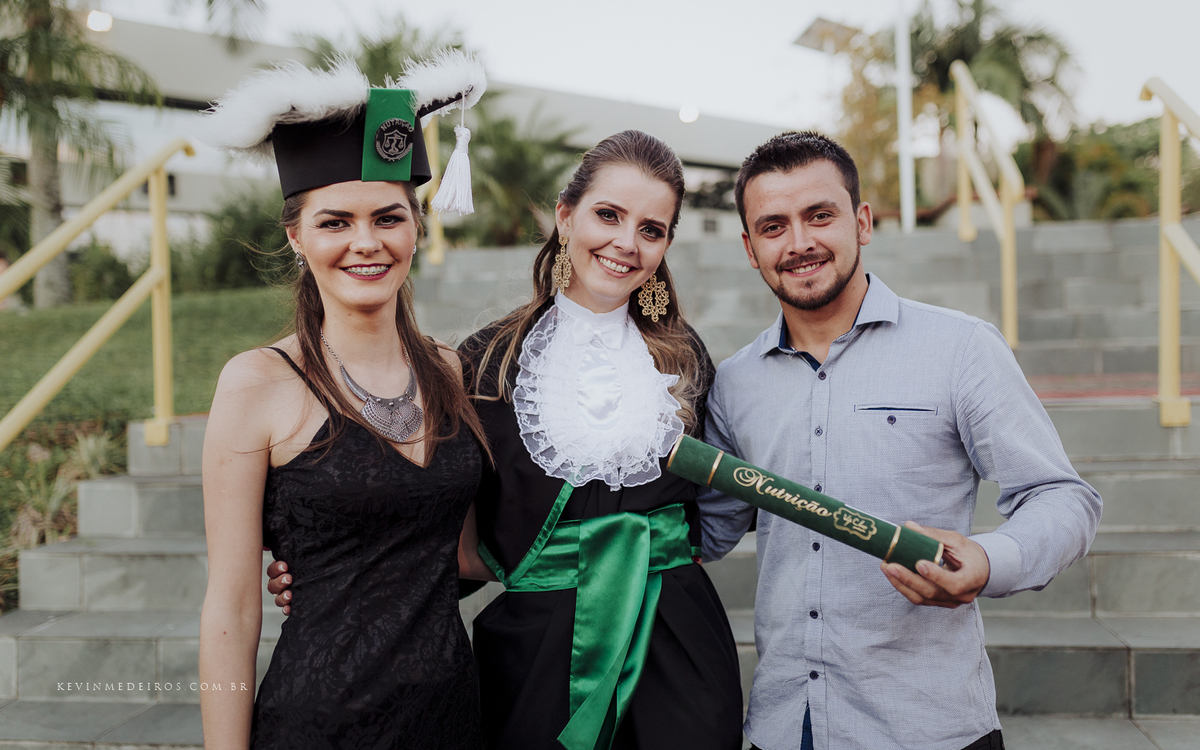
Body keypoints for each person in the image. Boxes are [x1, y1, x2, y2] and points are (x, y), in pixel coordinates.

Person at [270, 130, 744, 750]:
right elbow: (438, 509)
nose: (627, 243)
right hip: (536, 648)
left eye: (651, 230)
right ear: (565, 217)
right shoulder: (485, 362)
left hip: (677, 638)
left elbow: (719, 499)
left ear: (665, 246)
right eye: (608, 215)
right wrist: (339, 563)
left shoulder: (684, 356)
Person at [698, 131, 1103, 750]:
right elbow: (707, 531)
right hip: (784, 727)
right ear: (751, 249)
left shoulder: (961, 349)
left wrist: (988, 560)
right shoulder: (734, 383)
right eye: (773, 226)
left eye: (820, 215)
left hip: (927, 728)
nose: (799, 242)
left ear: (862, 222)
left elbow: (1063, 496)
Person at [198, 55, 491, 749]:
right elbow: (231, 612)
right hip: (319, 725)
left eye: (388, 217)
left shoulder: (449, 370)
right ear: (296, 237)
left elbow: (467, 557)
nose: (367, 242)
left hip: (451, 719)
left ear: (416, 227)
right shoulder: (257, 383)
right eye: (335, 222)